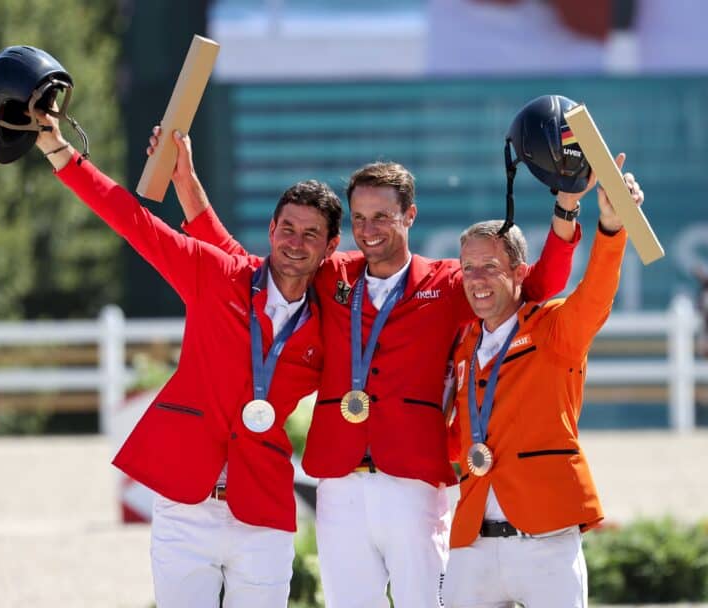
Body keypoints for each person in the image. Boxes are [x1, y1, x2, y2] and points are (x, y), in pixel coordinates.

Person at [149, 125, 579, 606]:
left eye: (381, 217)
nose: (369, 230)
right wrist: (186, 185)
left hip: (413, 483)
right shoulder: (331, 273)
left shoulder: (448, 282)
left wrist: (565, 209)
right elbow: (241, 264)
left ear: (409, 215)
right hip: (339, 483)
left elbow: (538, 286)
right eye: (359, 219)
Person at [34, 113, 341, 608]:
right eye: (287, 228)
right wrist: (61, 154)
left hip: (262, 509)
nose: (295, 243)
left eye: (310, 234)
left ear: (331, 247)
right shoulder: (218, 275)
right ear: (271, 229)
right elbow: (134, 223)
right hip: (186, 502)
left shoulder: (330, 327)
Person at [442, 154, 644, 607]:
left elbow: (594, 294)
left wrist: (611, 227)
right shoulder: (463, 346)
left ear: (518, 272)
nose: (476, 280)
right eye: (468, 268)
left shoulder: (552, 328)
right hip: (472, 541)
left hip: (546, 539)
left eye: (489, 267)